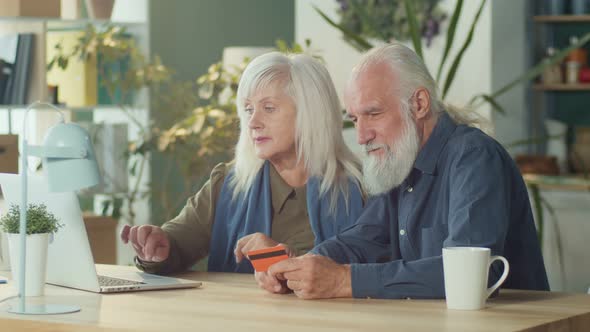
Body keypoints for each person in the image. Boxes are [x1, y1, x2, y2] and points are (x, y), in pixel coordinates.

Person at [260, 43, 549, 299]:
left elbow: (468, 275)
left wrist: (344, 281)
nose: (361, 136)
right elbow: (364, 240)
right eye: (355, 118)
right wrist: (303, 268)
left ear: (419, 104)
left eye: (373, 114)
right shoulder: (399, 159)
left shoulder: (474, 157)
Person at [121, 52, 365, 274]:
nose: (253, 122)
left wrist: (275, 258)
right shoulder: (229, 183)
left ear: (310, 114)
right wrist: (158, 246)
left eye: (268, 108)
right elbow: (179, 240)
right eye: (248, 110)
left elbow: (366, 269)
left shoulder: (362, 189)